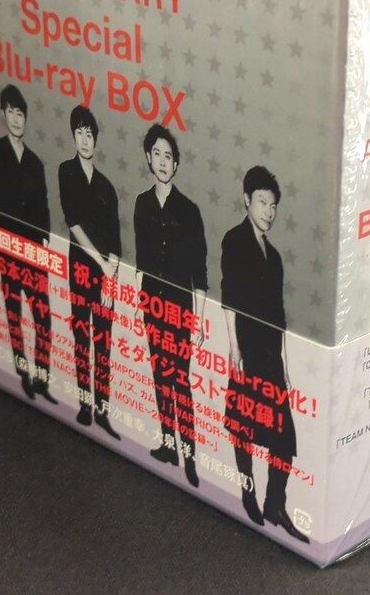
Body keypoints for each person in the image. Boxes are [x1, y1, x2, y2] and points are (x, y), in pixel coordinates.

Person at [220, 166, 308, 542]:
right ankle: (248, 491)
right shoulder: (234, 240)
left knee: (283, 437)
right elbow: (229, 296)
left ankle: (275, 504)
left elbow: (280, 314)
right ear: (247, 200)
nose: (268, 211)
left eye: (273, 205)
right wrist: (233, 347)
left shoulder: (275, 257)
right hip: (246, 347)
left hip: (271, 353)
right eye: (262, 202)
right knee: (243, 424)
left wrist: (284, 362)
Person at [134, 124, 208, 489]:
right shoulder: (141, 204)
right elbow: (141, 258)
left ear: (176, 164)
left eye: (169, 156)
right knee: (159, 374)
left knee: (180, 379)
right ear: (148, 159)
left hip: (180, 307)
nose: (163, 162)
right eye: (157, 154)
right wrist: (138, 301)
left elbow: (200, 271)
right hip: (152, 302)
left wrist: (199, 319)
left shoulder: (189, 210)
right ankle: (168, 445)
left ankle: (190, 456)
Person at [0, 84, 56, 404]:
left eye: (21, 113)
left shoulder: (35, 162)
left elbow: (43, 207)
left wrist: (43, 242)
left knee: (43, 317)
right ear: (3, 115)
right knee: (13, 310)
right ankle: (22, 372)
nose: (16, 119)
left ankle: (42, 379)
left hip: (35, 248)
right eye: (11, 112)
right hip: (9, 243)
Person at [58, 105, 121, 439]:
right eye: (79, 133)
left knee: (104, 342)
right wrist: (103, 264)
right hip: (82, 268)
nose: (85, 140)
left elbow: (115, 237)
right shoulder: (66, 171)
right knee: (82, 335)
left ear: (96, 139)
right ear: (73, 137)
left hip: (106, 274)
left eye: (89, 134)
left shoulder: (107, 186)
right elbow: (73, 224)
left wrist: (111, 278)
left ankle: (103, 410)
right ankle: (84, 404)